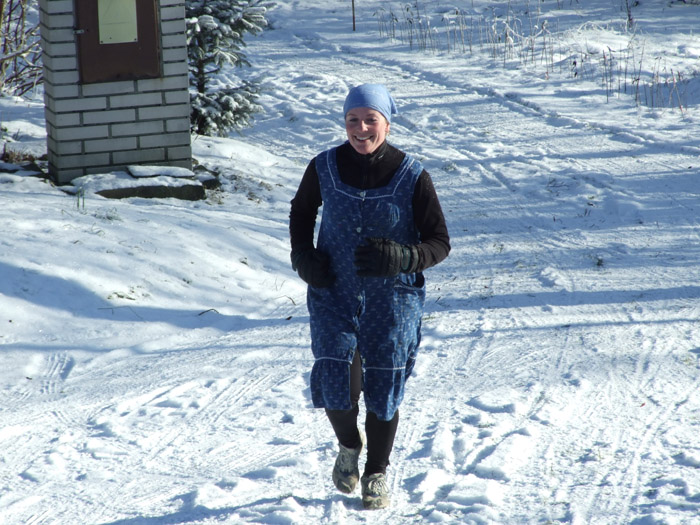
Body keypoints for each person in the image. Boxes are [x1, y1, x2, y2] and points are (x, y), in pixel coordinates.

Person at [289, 83, 450, 509]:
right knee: (334, 376)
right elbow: (302, 212)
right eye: (352, 120)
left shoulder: (413, 175)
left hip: (392, 299)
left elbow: (439, 242)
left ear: (387, 123)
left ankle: (376, 472)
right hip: (333, 291)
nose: (361, 129)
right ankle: (348, 445)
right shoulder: (322, 166)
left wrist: (403, 256)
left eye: (370, 120)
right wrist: (303, 255)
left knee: (382, 384)